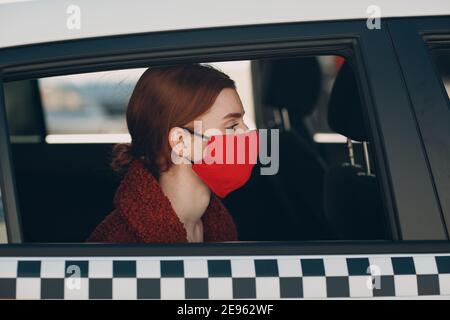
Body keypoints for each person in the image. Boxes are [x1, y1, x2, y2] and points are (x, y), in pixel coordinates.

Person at [87, 64, 258, 243]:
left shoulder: (219, 228)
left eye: (243, 121)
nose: (247, 133)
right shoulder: (118, 244)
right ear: (180, 142)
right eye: (232, 126)